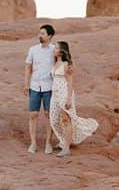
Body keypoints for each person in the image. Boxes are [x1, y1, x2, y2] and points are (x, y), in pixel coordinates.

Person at [50, 41, 99, 157]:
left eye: (56, 48)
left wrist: (68, 99)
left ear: (61, 51)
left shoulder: (67, 64)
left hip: (64, 93)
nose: (54, 49)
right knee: (54, 120)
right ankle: (63, 141)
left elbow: (70, 82)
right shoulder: (55, 63)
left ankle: (66, 148)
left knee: (66, 119)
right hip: (55, 94)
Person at [24, 24, 57, 154]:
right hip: (34, 86)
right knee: (33, 114)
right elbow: (28, 67)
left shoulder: (54, 49)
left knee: (49, 115)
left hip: (49, 87)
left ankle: (48, 143)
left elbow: (63, 62)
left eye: (43, 34)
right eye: (40, 33)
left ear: (49, 36)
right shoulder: (33, 49)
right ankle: (33, 143)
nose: (40, 36)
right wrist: (26, 84)